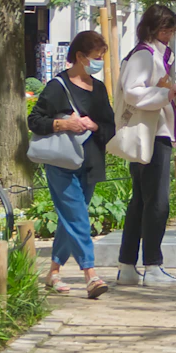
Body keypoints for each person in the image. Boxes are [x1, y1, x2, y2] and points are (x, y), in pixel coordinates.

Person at [27, 30, 116, 299]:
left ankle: (53, 272)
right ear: (79, 56)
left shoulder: (99, 88)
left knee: (70, 219)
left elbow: (110, 126)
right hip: (61, 162)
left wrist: (95, 124)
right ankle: (90, 274)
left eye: (101, 57)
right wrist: (63, 124)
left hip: (90, 162)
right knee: (78, 216)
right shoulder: (57, 86)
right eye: (96, 57)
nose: (99, 62)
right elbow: (35, 120)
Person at [114, 4, 176, 288]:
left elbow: (151, 87)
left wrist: (171, 92)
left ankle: (128, 266)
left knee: (141, 201)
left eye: (170, 29)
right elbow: (134, 92)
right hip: (152, 135)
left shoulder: (151, 54)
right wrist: (167, 92)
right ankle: (153, 266)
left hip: (152, 133)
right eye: (166, 29)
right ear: (154, 28)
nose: (169, 34)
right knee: (156, 201)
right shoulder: (145, 55)